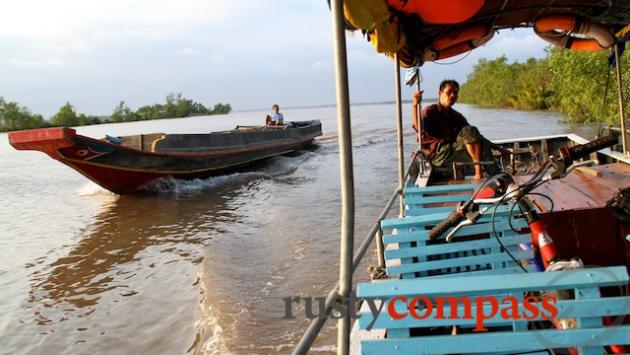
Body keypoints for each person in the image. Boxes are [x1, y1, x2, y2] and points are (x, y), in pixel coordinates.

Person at [413, 79, 501, 180]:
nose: (452, 95)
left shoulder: (456, 116)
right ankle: (479, 173)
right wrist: (415, 105)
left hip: (452, 150)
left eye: (455, 93)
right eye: (449, 92)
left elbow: (475, 136)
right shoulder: (430, 111)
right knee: (470, 132)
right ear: (440, 93)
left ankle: (497, 176)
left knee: (480, 142)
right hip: (438, 156)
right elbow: (418, 127)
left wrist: (499, 149)